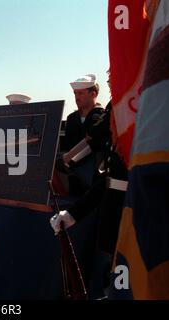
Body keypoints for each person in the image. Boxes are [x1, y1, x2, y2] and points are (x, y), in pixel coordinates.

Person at [51, 100, 128, 298]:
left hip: (135, 224)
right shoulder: (120, 128)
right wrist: (72, 215)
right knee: (116, 281)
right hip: (117, 219)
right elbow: (108, 181)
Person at [64, 74, 104, 196]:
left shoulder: (101, 117)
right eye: (75, 94)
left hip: (94, 177)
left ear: (93, 94)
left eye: (80, 93)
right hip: (73, 177)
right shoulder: (71, 119)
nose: (76, 97)